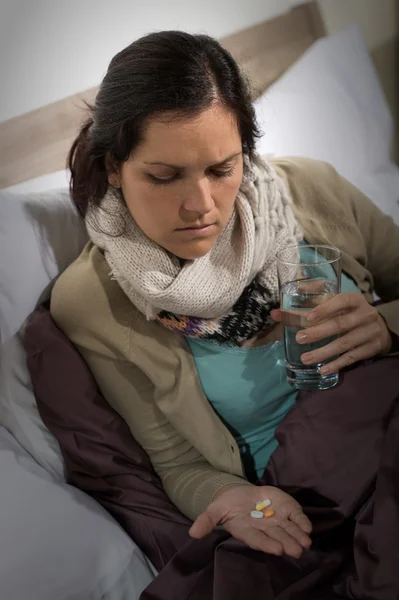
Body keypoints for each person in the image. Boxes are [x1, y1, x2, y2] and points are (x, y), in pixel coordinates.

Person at [51, 31, 399, 561]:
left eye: (222, 169)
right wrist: (237, 499)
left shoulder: (309, 188)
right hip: (314, 495)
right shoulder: (94, 302)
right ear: (114, 168)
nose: (202, 205)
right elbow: (179, 466)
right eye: (165, 177)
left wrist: (387, 324)